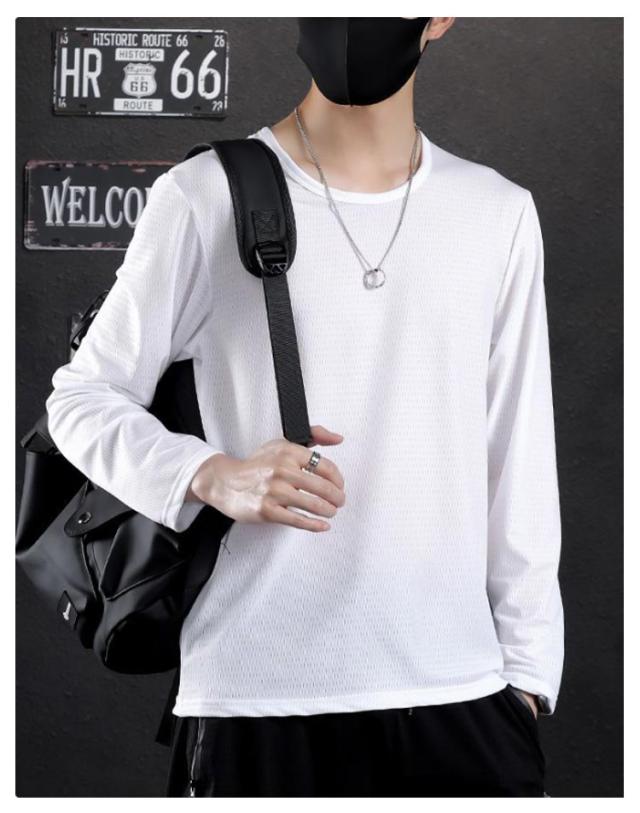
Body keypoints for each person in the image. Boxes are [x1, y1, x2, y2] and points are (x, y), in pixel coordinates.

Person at [45, 17, 564, 797]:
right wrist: (209, 472)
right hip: (256, 698)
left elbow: (518, 458)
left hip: (463, 695)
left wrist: (525, 679)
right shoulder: (204, 195)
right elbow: (81, 397)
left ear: (442, 13)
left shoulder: (497, 213)